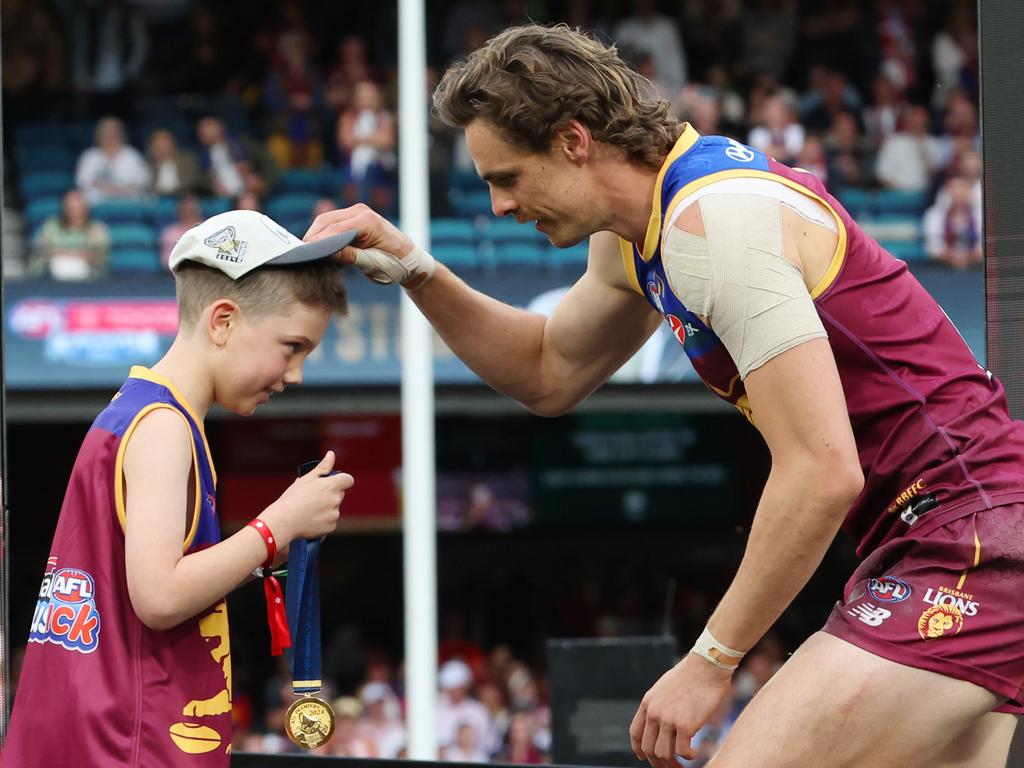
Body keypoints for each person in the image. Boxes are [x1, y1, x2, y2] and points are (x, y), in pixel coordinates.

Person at [304, 23, 1024, 768]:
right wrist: (419, 270)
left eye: (508, 177)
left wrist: (711, 660)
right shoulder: (635, 234)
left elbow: (820, 471)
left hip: (974, 540)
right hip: (940, 539)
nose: (498, 207)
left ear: (574, 141)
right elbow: (549, 372)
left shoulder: (712, 222)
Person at [3, 210, 356, 767]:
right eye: (292, 347)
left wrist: (257, 550)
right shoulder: (165, 426)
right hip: (128, 749)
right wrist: (275, 526)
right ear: (222, 321)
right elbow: (160, 597)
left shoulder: (140, 411)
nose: (296, 376)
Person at [29, 188, 110, 280]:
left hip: (89, 276)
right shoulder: (50, 226)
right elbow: (42, 250)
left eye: (77, 201)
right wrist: (73, 254)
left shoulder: (97, 229)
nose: (73, 206)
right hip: (51, 275)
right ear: (63, 206)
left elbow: (99, 254)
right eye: (69, 202)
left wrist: (65, 253)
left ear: (85, 205)